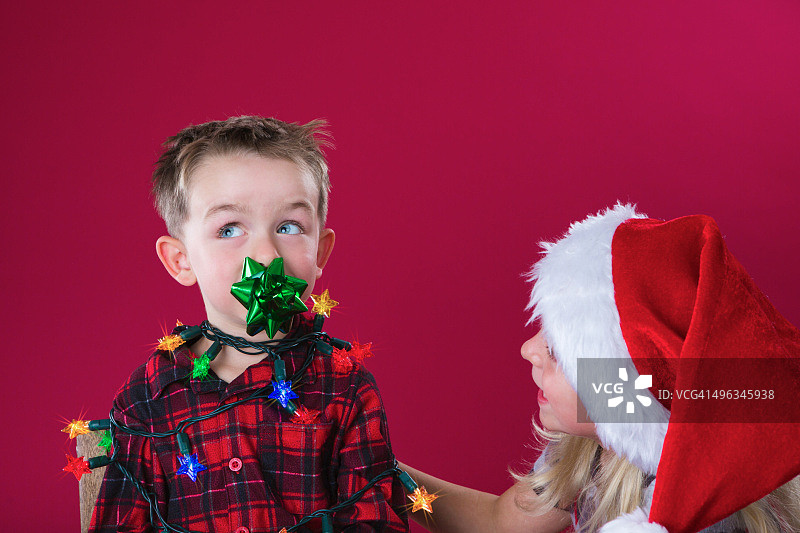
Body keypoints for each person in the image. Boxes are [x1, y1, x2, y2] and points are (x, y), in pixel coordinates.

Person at [89, 116, 408, 532]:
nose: (264, 254)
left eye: (288, 227)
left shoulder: (345, 387)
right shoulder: (146, 398)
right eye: (229, 229)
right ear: (180, 259)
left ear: (319, 252)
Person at [401, 204, 800, 533]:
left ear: (627, 388)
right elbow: (498, 524)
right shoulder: (589, 449)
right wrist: (384, 475)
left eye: (560, 350)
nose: (528, 350)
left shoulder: (701, 519)